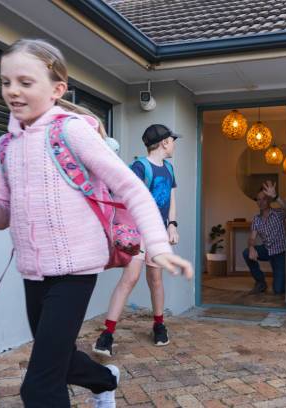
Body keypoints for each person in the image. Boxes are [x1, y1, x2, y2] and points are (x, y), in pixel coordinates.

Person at [0, 38, 193, 408]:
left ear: (57, 89)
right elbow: (2, 217)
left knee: (39, 386)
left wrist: (159, 247)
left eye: (25, 82)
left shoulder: (70, 130)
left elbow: (132, 189)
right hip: (33, 273)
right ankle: (103, 379)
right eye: (5, 82)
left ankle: (95, 381)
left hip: (75, 270)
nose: (13, 91)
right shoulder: (6, 146)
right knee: (59, 358)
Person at [94, 124, 180, 355]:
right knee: (130, 279)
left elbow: (171, 199)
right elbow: (134, 201)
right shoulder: (140, 167)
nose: (174, 144)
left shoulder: (169, 168)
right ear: (164, 142)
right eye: (173, 140)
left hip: (158, 231)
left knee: (156, 279)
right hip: (139, 230)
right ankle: (107, 334)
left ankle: (159, 325)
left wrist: (171, 225)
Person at [243, 181, 286, 295]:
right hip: (267, 250)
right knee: (246, 252)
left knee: (278, 290)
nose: (261, 202)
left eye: (264, 199)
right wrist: (252, 247)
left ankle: (284, 279)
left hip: (279, 253)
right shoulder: (256, 219)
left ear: (268, 200)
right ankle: (260, 282)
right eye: (258, 199)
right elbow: (252, 238)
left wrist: (276, 196)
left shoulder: (278, 213)